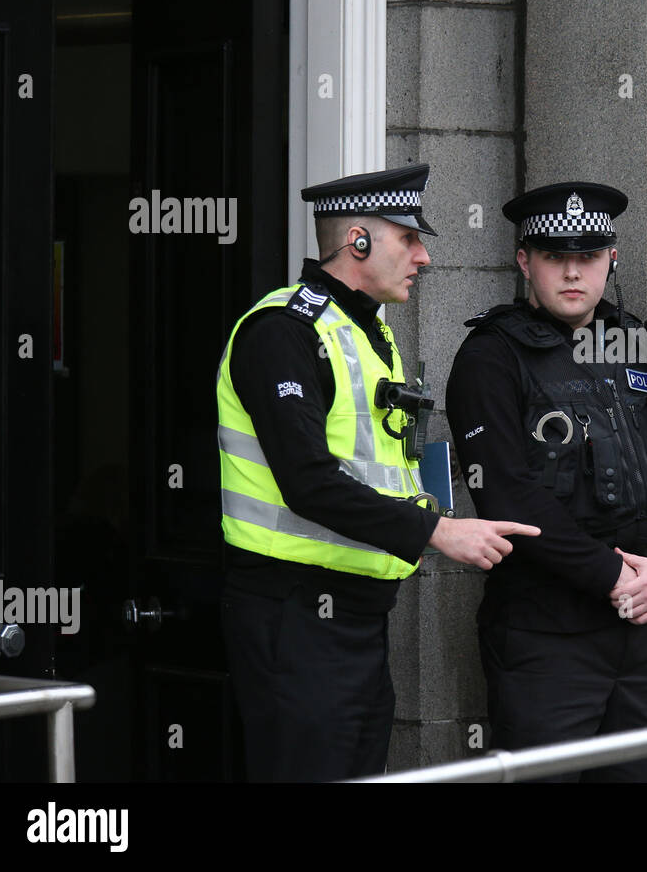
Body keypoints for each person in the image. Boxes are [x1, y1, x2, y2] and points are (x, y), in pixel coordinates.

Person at [217, 162, 539, 782]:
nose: (422, 257)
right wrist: (439, 533)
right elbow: (308, 481)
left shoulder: (370, 335)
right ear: (357, 240)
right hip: (294, 616)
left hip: (357, 619)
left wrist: (444, 515)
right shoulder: (283, 332)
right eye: (409, 238)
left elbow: (385, 464)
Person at [445, 181, 647, 782]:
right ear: (525, 261)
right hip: (545, 641)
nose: (573, 272)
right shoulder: (490, 358)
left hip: (638, 634)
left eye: (588, 256)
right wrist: (617, 579)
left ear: (611, 259)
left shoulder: (639, 348)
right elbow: (509, 497)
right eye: (554, 256)